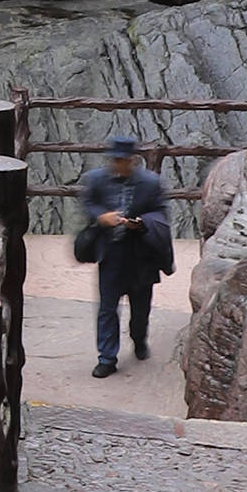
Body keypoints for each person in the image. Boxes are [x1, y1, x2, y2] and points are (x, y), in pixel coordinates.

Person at [73, 137, 172, 375]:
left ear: (132, 160)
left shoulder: (150, 183)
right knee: (107, 308)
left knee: (140, 308)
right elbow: (88, 202)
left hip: (141, 254)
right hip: (111, 253)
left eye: (122, 160)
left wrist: (142, 223)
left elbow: (161, 212)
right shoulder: (96, 180)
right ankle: (107, 358)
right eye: (114, 159)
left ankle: (139, 338)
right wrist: (101, 217)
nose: (118, 164)